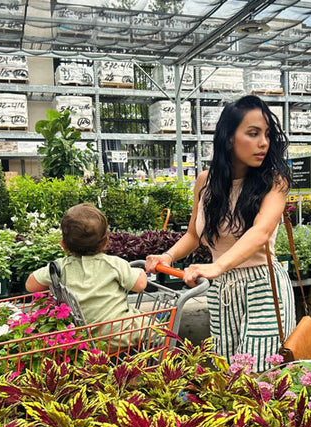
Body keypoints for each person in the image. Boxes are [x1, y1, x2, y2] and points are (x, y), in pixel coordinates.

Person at [146, 95, 295, 371]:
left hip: (263, 286)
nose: (263, 142)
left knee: (257, 373)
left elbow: (260, 232)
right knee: (226, 372)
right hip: (220, 292)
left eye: (267, 135)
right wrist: (166, 256)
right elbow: (194, 234)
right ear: (229, 138)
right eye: (253, 133)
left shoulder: (275, 182)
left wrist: (217, 266)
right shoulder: (205, 181)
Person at [26, 203, 148, 333]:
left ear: (63, 244)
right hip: (121, 332)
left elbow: (30, 285)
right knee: (157, 327)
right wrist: (140, 272)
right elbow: (140, 285)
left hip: (84, 336)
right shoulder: (114, 264)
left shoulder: (60, 267)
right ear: (106, 242)